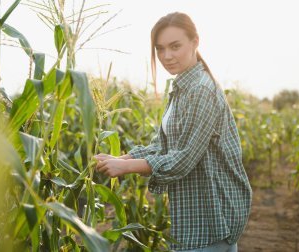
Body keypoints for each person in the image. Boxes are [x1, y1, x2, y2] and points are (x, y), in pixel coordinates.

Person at [94, 12, 252, 252]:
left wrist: (125, 167)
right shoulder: (182, 88)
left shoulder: (200, 90)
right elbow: (162, 146)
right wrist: (120, 159)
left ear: (195, 42)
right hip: (197, 215)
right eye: (160, 49)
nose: (166, 56)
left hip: (211, 216)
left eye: (175, 46)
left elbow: (183, 159)